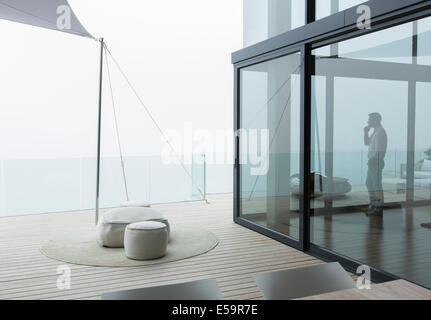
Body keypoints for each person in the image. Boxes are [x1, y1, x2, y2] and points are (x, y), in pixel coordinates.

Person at [364, 112, 387, 216]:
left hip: (375, 162)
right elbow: (366, 143)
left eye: (370, 119)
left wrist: (372, 160)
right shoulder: (375, 132)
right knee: (369, 183)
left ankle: (378, 207)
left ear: (376, 120)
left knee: (377, 185)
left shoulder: (380, 133)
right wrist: (365, 132)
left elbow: (379, 151)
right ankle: (373, 204)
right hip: (372, 162)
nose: (368, 121)